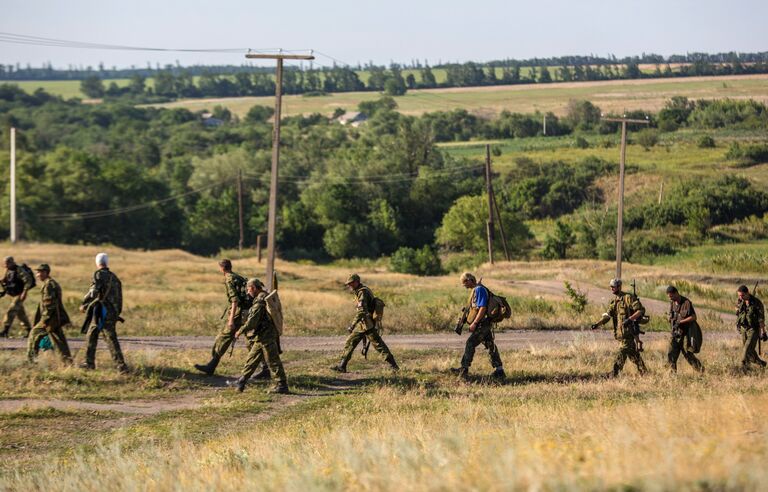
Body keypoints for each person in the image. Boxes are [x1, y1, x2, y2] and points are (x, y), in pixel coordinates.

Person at [194, 259, 269, 378]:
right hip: (246, 313)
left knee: (224, 338)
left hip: (239, 315)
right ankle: (265, 369)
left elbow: (235, 301)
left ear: (222, 269)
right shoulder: (237, 277)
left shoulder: (229, 279)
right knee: (251, 341)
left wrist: (231, 320)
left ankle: (211, 366)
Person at [331, 274, 399, 373]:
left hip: (368, 324)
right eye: (348, 284)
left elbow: (361, 311)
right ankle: (342, 366)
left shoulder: (362, 292)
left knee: (379, 345)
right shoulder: (360, 291)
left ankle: (394, 366)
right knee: (350, 342)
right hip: (363, 323)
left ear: (357, 282)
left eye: (351, 283)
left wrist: (352, 325)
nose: (349, 285)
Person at [233, 278, 288, 394]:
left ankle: (282, 385)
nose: (248, 292)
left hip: (266, 336)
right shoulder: (264, 296)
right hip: (261, 336)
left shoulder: (260, 301)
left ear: (253, 288)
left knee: (273, 360)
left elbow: (252, 322)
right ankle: (241, 381)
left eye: (248, 289)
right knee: (252, 359)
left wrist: (240, 331)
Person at [451, 272, 505, 380]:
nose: (465, 286)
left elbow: (482, 308)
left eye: (464, 283)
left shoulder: (479, 290)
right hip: (484, 323)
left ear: (469, 280)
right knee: (490, 345)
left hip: (482, 324)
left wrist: (475, 323)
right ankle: (499, 371)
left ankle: (464, 369)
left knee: (470, 343)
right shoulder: (477, 289)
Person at [79, 253, 128, 373]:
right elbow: (119, 297)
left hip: (103, 312)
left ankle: (119, 365)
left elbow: (93, 292)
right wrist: (116, 312)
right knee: (99, 335)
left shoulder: (99, 275)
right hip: (112, 312)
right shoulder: (114, 277)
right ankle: (92, 362)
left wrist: (84, 303)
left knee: (106, 337)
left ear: (97, 262)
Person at [591, 278, 648, 377]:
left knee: (622, 352)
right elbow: (607, 316)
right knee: (633, 354)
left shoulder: (628, 298)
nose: (611, 288)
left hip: (629, 333)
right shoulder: (615, 302)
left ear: (619, 287)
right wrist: (597, 324)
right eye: (611, 286)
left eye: (613, 286)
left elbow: (640, 311)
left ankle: (614, 373)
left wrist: (630, 319)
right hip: (621, 334)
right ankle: (644, 372)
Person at [27, 264, 72, 364]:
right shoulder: (52, 283)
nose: (37, 275)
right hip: (56, 318)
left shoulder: (48, 285)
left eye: (39, 272)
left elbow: (49, 305)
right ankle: (67, 362)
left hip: (50, 319)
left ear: (45, 272)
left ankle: (31, 361)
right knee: (59, 341)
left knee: (34, 334)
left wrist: (44, 320)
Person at [665, 285, 704, 373]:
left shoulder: (686, 303)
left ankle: (701, 370)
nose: (670, 298)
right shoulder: (672, 303)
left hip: (686, 333)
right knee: (671, 354)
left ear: (676, 293)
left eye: (671, 296)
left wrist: (681, 322)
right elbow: (671, 316)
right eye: (669, 297)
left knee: (688, 354)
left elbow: (694, 317)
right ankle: (672, 375)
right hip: (675, 333)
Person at [1, 256, 34, 338]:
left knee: (11, 310)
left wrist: (25, 292)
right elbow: (5, 280)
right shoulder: (9, 270)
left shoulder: (19, 270)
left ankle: (5, 331)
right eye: (4, 263)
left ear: (12, 262)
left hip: (20, 294)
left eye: (7, 263)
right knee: (21, 314)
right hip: (14, 294)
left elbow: (28, 280)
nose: (5, 265)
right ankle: (29, 331)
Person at [735, 284, 766, 372]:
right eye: (739, 295)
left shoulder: (756, 303)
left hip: (753, 329)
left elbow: (761, 319)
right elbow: (738, 311)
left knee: (746, 349)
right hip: (743, 329)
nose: (740, 297)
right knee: (750, 351)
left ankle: (744, 369)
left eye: (742, 295)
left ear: (747, 293)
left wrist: (763, 332)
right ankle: (762, 364)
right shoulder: (740, 301)